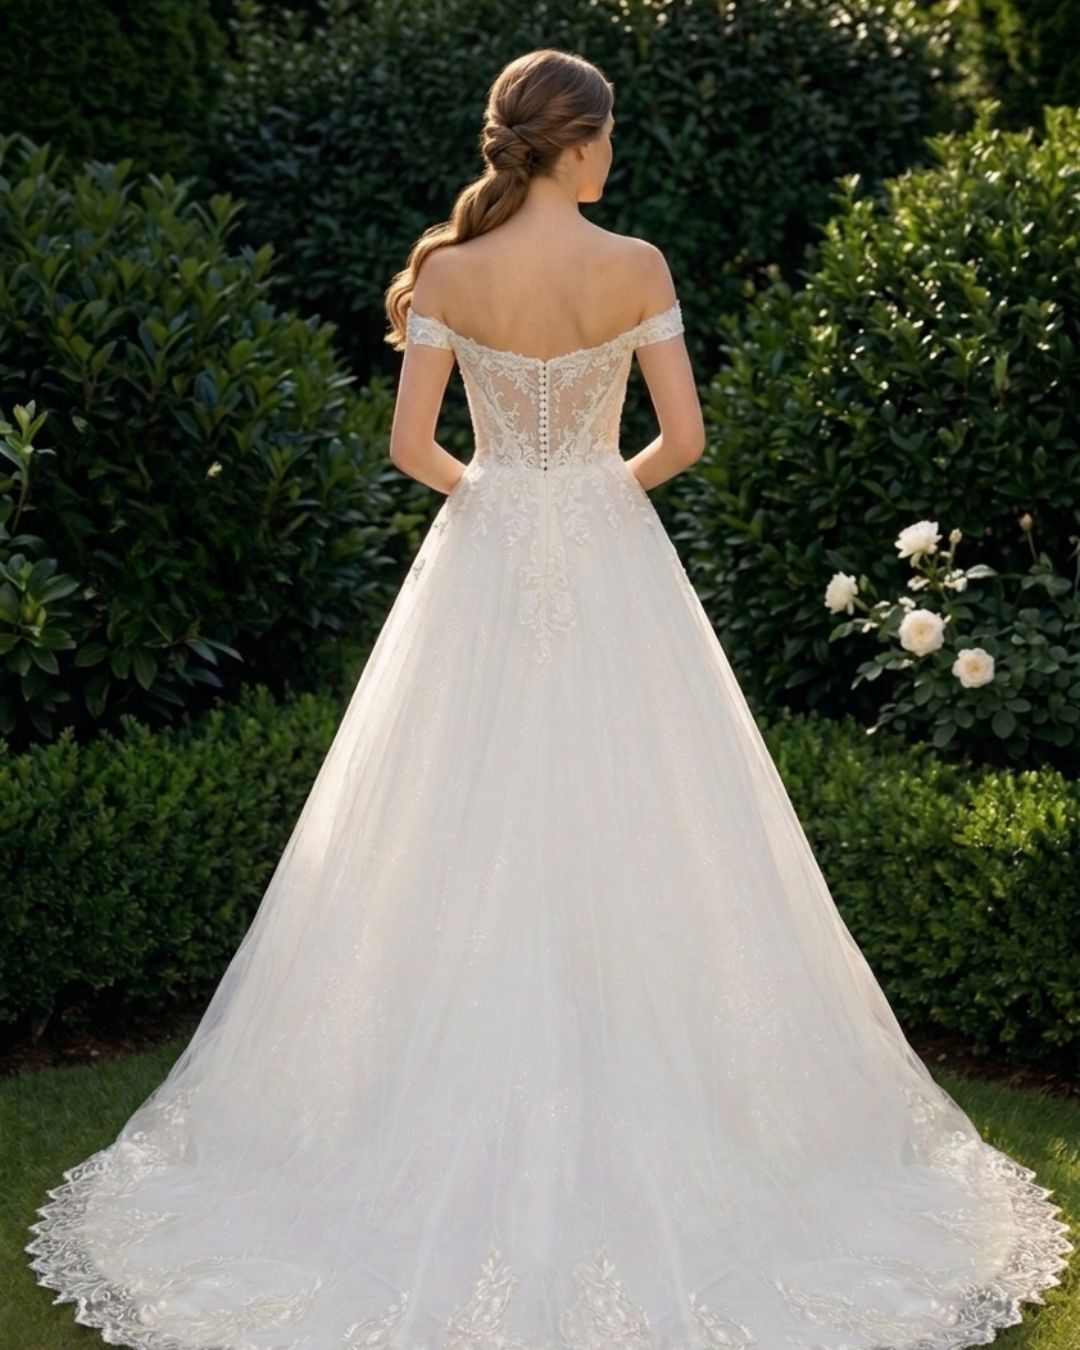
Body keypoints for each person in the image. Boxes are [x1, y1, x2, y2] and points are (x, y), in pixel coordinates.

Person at [26, 46, 1072, 1350]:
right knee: (654, 819)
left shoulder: (450, 272)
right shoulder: (636, 266)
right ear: (579, 144)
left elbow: (411, 447)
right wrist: (591, 499)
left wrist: (500, 500)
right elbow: (683, 440)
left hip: (482, 560)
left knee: (438, 823)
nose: (613, 155)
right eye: (609, 136)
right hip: (611, 559)